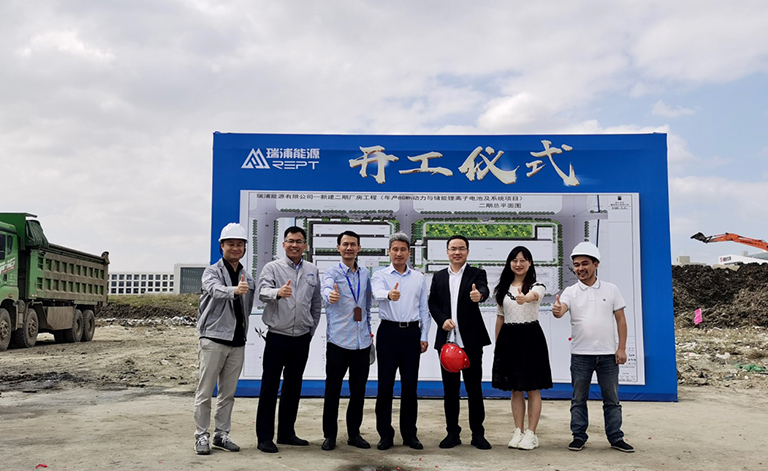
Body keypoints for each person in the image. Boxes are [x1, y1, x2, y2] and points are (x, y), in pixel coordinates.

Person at [552, 241, 634, 453]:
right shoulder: (570, 291)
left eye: (585, 263)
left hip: (608, 355)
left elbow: (621, 320)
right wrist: (558, 310)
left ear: (596, 264)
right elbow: (561, 310)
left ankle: (615, 437)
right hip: (581, 355)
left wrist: (621, 348)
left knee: (612, 400)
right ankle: (578, 436)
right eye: (576, 265)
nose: (580, 268)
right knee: (578, 399)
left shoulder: (611, 289)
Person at [255, 226, 322, 453]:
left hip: (301, 338)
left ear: (305, 246)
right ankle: (265, 437)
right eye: (291, 241)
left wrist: (310, 331)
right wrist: (277, 293)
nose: (295, 245)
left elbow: (315, 304)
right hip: (277, 337)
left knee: (293, 387)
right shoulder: (272, 268)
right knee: (270, 387)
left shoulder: (312, 270)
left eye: (299, 241)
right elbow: (262, 292)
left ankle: (286, 433)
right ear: (284, 244)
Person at [193, 223, 255, 455]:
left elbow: (253, 301)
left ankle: (221, 434)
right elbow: (214, 290)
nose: (235, 248)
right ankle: (201, 435)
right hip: (213, 339)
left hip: (237, 342)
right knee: (205, 391)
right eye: (231, 244)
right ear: (222, 246)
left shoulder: (247, 276)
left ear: (245, 247)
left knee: (227, 394)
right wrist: (234, 291)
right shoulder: (212, 272)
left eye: (240, 244)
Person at [428, 235, 492, 450]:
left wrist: (479, 295)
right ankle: (452, 433)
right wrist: (442, 320)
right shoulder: (439, 276)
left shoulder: (477, 273)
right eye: (453, 248)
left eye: (461, 248)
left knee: (474, 389)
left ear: (467, 251)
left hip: (471, 342)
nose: (457, 252)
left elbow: (483, 289)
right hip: (447, 343)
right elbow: (432, 303)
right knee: (450, 391)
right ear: (447, 252)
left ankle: (478, 434)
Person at [370, 233, 431, 451]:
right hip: (388, 332)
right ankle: (385, 434)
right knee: (385, 386)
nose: (398, 253)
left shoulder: (418, 278)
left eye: (403, 249)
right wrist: (389, 294)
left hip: (411, 334)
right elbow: (376, 293)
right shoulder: (380, 275)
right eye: (395, 249)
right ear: (389, 252)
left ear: (408, 252)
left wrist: (424, 336)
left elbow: (424, 309)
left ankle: (409, 434)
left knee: (410, 387)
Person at [491, 246, 553, 450]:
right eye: (514, 260)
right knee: (515, 389)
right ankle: (518, 430)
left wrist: (525, 297)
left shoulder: (537, 285)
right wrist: (498, 345)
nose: (518, 264)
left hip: (530, 339)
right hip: (509, 339)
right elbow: (500, 318)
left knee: (532, 388)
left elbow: (535, 295)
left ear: (530, 263)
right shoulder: (503, 289)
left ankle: (531, 433)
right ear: (510, 263)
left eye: (523, 260)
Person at [320, 230, 373, 451]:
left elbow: (366, 306)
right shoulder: (332, 273)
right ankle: (329, 435)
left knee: (358, 392)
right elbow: (326, 289)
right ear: (338, 248)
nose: (349, 248)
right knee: (332, 391)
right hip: (338, 342)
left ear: (359, 248)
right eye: (345, 244)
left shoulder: (365, 274)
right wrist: (329, 295)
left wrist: (369, 331)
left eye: (353, 244)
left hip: (362, 342)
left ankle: (354, 434)